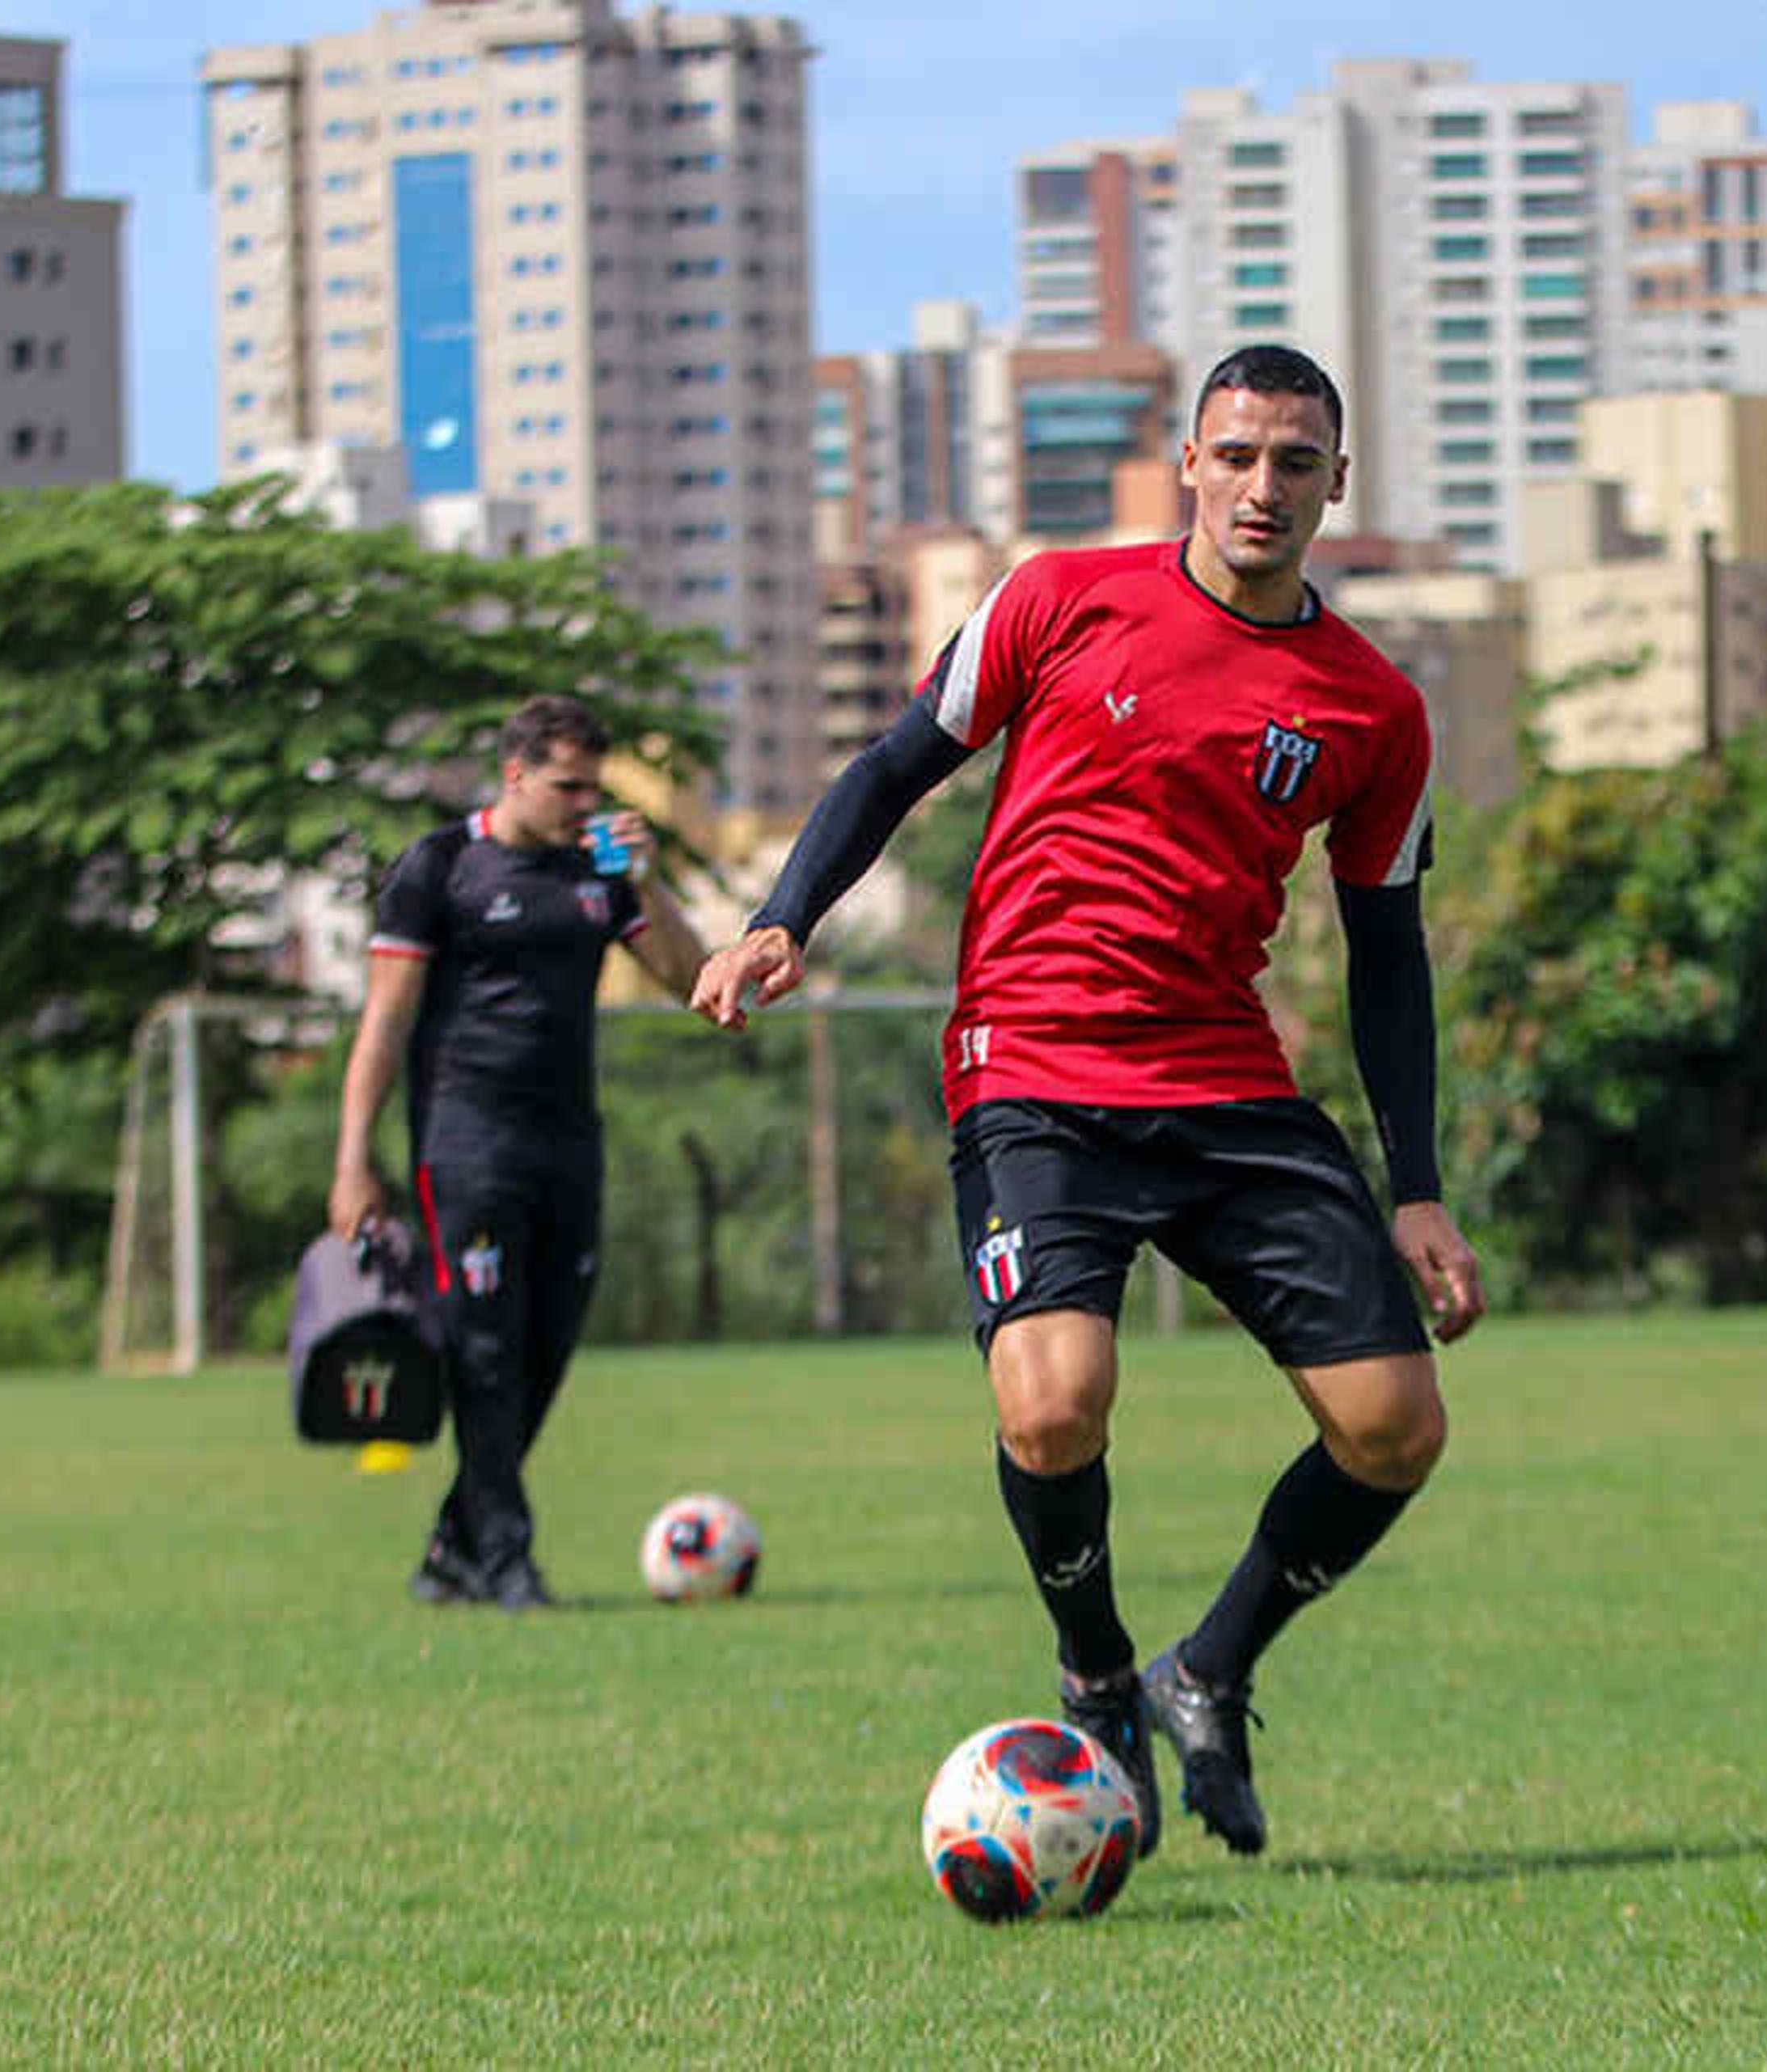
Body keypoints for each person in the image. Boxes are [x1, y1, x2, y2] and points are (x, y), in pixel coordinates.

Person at [690, 344, 1486, 1858]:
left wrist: (1418, 1180)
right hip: (1035, 1069)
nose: (1265, 486)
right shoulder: (1061, 598)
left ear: (1338, 482)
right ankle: (1100, 1667)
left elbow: (1390, 957)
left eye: (1297, 461)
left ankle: (1212, 1668)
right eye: (1238, 454)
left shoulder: (1374, 706)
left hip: (1228, 1084)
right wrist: (785, 911)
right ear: (1188, 462)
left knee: (1396, 1428)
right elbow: (891, 764)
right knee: (1052, 1406)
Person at [328, 694, 711, 1609]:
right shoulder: (441, 866)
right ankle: (505, 1561)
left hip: (568, 1142)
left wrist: (646, 881)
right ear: (515, 773)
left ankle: (453, 1551)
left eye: (594, 787)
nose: (584, 804)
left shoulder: (600, 871)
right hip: (465, 1145)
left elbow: (689, 978)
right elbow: (384, 1020)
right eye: (566, 786)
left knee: (545, 1348)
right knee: (485, 1350)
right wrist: (352, 1159)